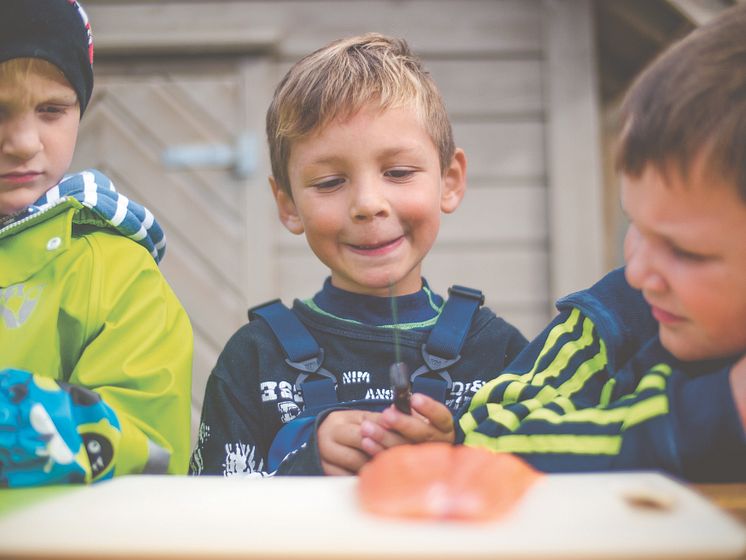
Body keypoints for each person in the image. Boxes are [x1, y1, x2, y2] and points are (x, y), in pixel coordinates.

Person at [360, 4, 746, 482]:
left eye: (686, 252)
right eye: (635, 228)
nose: (640, 270)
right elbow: (488, 435)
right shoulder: (615, 315)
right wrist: (718, 412)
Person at [189, 33, 528, 477]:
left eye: (399, 172)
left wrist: (457, 448)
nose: (368, 204)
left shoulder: (500, 352)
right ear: (288, 204)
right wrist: (307, 464)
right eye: (330, 182)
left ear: (449, 180)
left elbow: (536, 494)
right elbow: (212, 517)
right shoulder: (253, 358)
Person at [0, 0, 193, 487]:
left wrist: (21, 424)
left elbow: (147, 442)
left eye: (51, 110)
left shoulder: (117, 272)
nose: (23, 142)